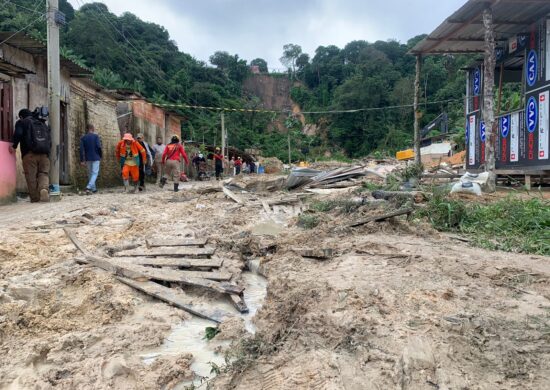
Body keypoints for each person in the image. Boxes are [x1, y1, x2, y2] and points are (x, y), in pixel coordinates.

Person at [9, 108, 50, 202]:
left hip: (29, 154)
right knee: (43, 173)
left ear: (21, 116)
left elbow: (18, 133)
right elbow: (49, 138)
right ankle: (43, 189)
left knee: (31, 176)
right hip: (44, 154)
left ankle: (35, 198)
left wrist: (14, 146)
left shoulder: (22, 122)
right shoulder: (42, 122)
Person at [79, 124, 102, 194]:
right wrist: (100, 155)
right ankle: (88, 187)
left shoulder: (83, 138)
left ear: (87, 129)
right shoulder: (96, 136)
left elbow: (81, 150)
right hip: (96, 157)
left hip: (88, 158)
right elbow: (99, 147)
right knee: (95, 173)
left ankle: (94, 189)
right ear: (92, 128)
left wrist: (82, 160)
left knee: (90, 173)